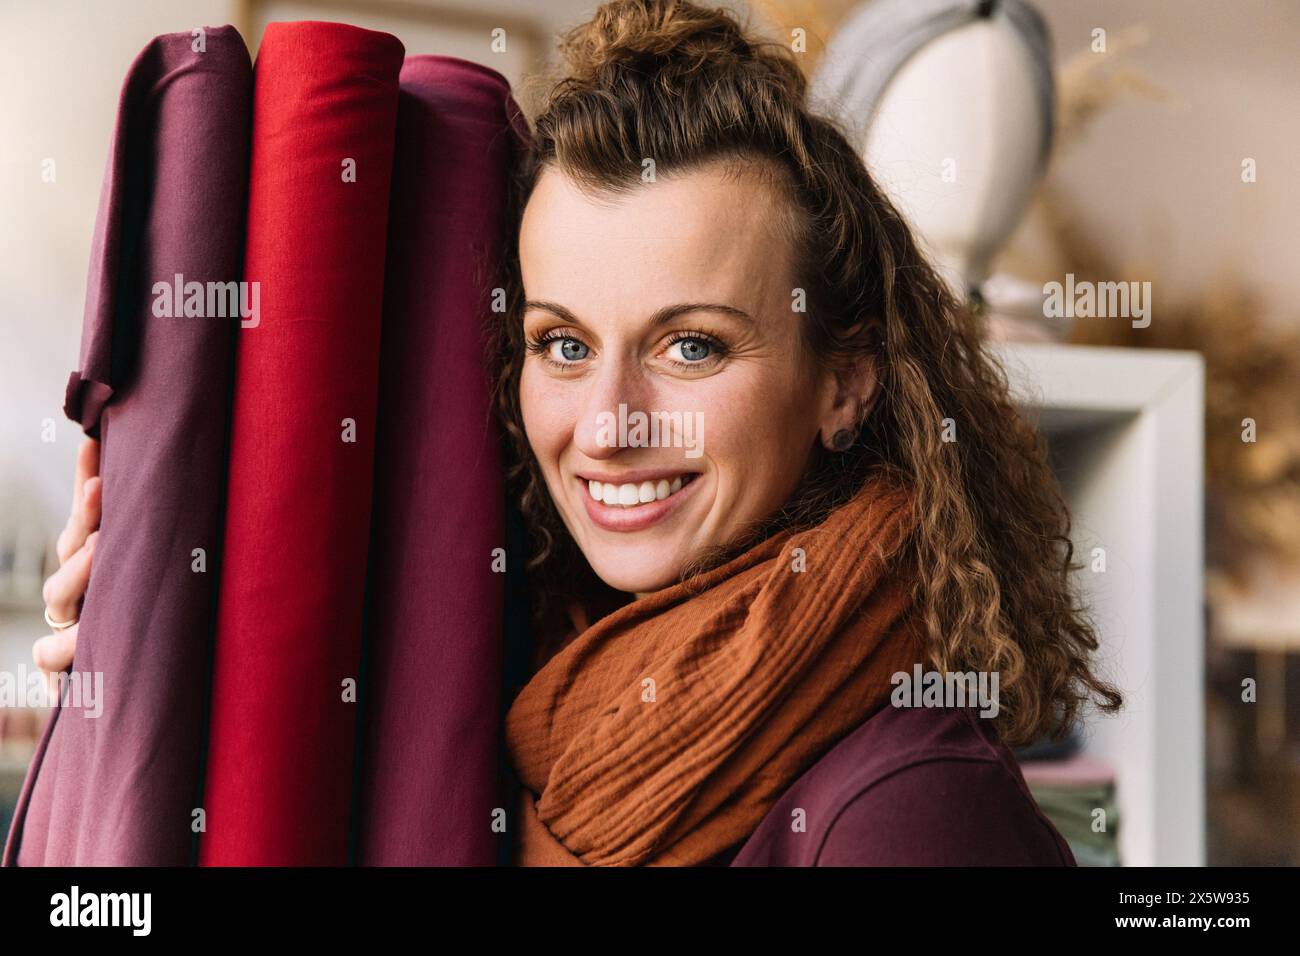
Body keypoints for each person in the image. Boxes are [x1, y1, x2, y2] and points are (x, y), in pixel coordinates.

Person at [37, 0, 1121, 866]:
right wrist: (142, 671)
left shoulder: (908, 814)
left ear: (845, 385)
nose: (605, 424)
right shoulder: (523, 682)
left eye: (690, 346)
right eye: (560, 344)